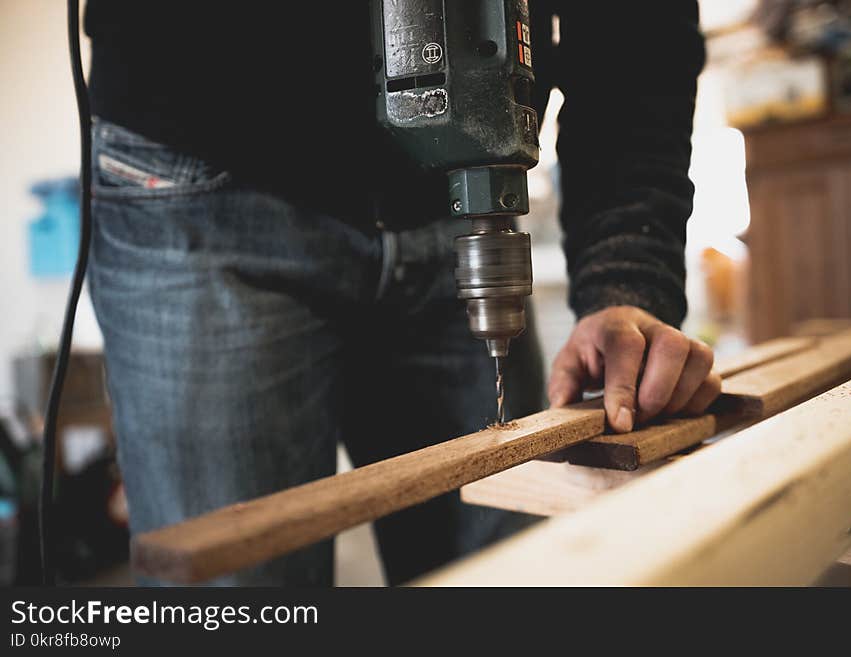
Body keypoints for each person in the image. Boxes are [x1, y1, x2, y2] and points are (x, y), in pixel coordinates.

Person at [83, 1, 719, 585]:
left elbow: (640, 29)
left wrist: (625, 274)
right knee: (230, 597)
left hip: (446, 196)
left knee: (510, 576)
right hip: (200, 169)